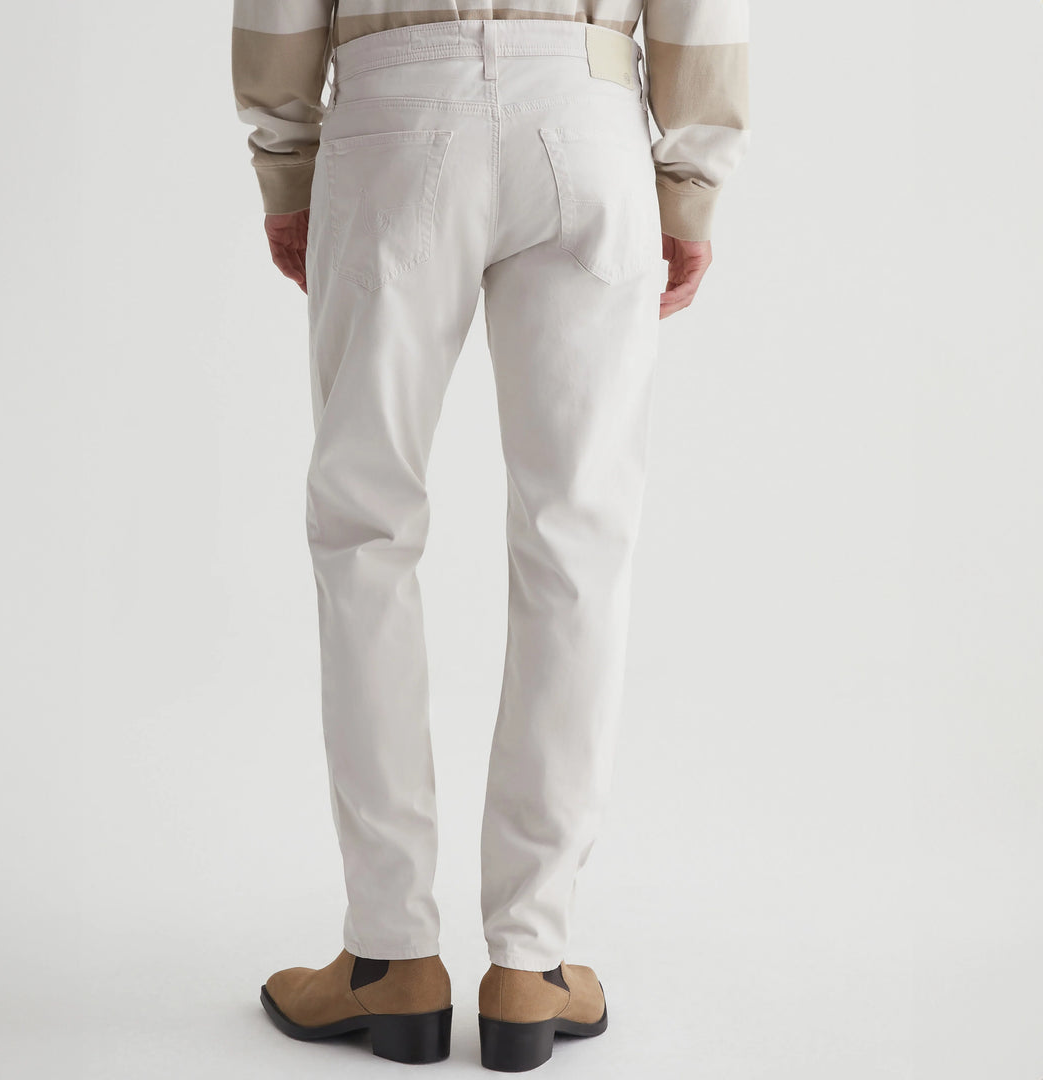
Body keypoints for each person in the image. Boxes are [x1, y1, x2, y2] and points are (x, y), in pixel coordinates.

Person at [232, 0, 749, 1070]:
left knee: (365, 533)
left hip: (392, 106)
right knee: (577, 546)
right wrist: (689, 179)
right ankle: (530, 962)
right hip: (586, 107)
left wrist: (287, 162)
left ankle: (389, 955)